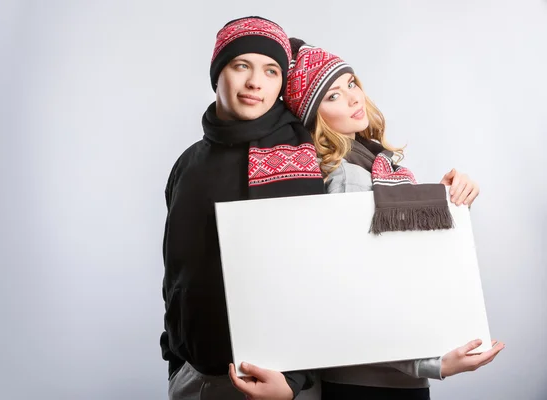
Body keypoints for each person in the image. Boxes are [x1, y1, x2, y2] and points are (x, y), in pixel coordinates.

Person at [277, 38, 506, 400]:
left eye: (350, 83)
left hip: (383, 372)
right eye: (332, 96)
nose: (353, 98)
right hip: (370, 378)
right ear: (314, 117)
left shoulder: (372, 163)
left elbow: (401, 262)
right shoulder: (348, 176)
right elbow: (360, 294)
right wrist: (434, 364)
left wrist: (450, 202)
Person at [161, 18, 325, 400]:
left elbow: (322, 276)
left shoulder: (306, 156)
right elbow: (177, 270)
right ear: (218, 73)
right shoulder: (188, 164)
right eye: (241, 66)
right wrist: (175, 357)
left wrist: (293, 382)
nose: (256, 83)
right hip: (193, 377)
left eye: (271, 71)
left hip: (275, 383)